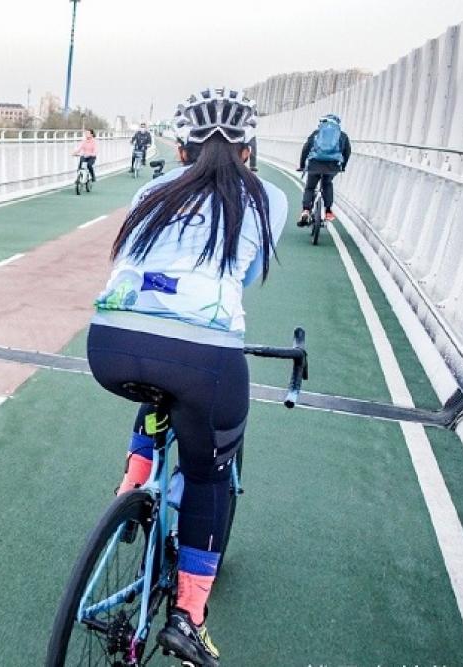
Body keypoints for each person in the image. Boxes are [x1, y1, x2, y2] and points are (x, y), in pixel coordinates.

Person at [87, 88, 287, 667]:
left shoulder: (151, 189)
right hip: (204, 353)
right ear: (248, 151)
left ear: (180, 149)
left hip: (111, 342)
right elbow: (244, 278)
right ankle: (188, 618)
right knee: (208, 475)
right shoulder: (265, 197)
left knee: (156, 382)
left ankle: (133, 483)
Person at [297, 113, 350, 225]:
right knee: (327, 184)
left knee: (310, 187)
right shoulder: (342, 135)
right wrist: (343, 166)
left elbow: (306, 149)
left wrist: (302, 165)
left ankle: (306, 210)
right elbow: (347, 152)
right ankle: (328, 211)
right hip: (332, 165)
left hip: (314, 164)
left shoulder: (316, 134)